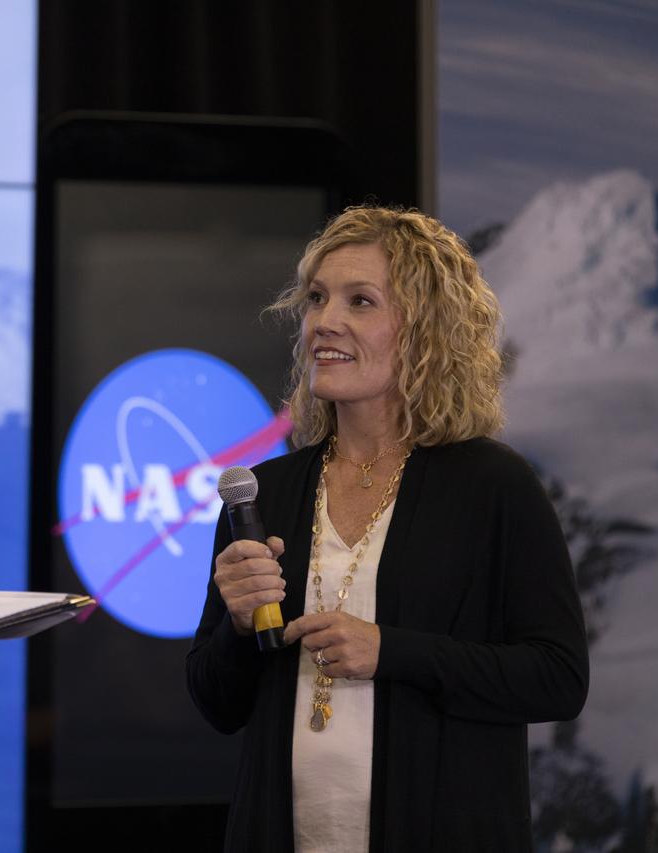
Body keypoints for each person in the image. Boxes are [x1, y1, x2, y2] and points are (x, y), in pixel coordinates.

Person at [186, 206, 589, 852]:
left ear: (426, 330)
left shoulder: (495, 486)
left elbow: (558, 677)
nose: (324, 321)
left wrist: (391, 652)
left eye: (360, 301)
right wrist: (236, 627)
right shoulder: (265, 491)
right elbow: (217, 702)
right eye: (317, 298)